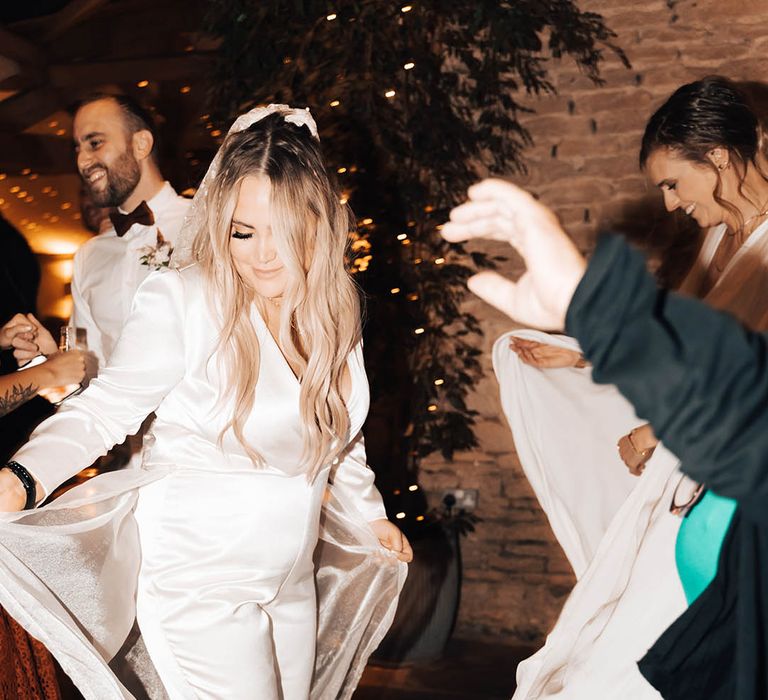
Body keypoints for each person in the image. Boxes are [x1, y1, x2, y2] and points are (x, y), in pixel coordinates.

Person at [0, 105, 410, 700]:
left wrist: (369, 512)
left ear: (321, 225)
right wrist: (20, 478)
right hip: (199, 576)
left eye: (284, 231)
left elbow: (336, 430)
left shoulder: (334, 315)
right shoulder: (184, 299)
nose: (263, 255)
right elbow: (105, 406)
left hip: (293, 579)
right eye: (244, 232)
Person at [488, 77, 768, 698]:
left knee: (644, 639)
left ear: (718, 157)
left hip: (732, 483)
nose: (669, 204)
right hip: (688, 467)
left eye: (673, 183)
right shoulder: (720, 235)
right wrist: (585, 357)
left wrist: (654, 428)